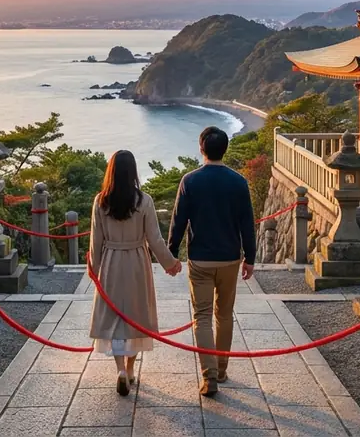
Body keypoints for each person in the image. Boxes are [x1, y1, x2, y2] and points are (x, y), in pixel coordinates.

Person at [168, 126, 256, 397]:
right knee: (225, 314)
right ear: (225, 149)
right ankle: (221, 368)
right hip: (230, 257)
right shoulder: (238, 181)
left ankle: (209, 377)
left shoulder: (190, 181)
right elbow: (247, 224)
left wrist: (171, 254)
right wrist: (250, 258)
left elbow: (179, 221)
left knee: (202, 317)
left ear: (201, 148)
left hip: (200, 259)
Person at [89, 150, 182, 397]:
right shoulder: (144, 201)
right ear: (133, 172)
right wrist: (170, 263)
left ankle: (120, 370)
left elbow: (95, 241)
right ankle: (130, 370)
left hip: (111, 261)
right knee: (135, 317)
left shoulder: (101, 201)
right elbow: (155, 239)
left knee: (116, 318)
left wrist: (94, 269)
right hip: (137, 263)